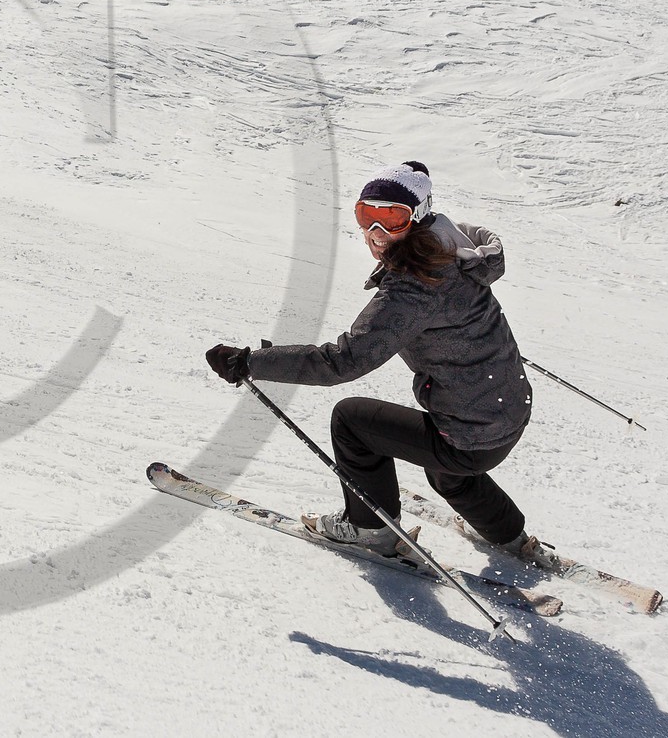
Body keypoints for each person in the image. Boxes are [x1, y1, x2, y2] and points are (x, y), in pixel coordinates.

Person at [205, 161, 556, 566]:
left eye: (392, 218)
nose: (376, 233)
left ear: (419, 218)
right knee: (448, 471)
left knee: (352, 421)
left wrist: (250, 362)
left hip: (472, 432)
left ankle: (371, 531)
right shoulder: (455, 255)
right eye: (367, 216)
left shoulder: (415, 285)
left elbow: (343, 362)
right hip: (507, 414)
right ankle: (510, 536)